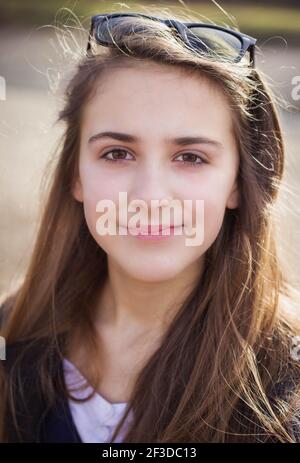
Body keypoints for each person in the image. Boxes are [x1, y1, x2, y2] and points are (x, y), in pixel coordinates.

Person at [1, 9, 300, 443]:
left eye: (191, 157)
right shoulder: (16, 334)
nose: (150, 197)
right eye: (117, 153)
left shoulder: (285, 384)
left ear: (237, 183)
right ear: (76, 175)